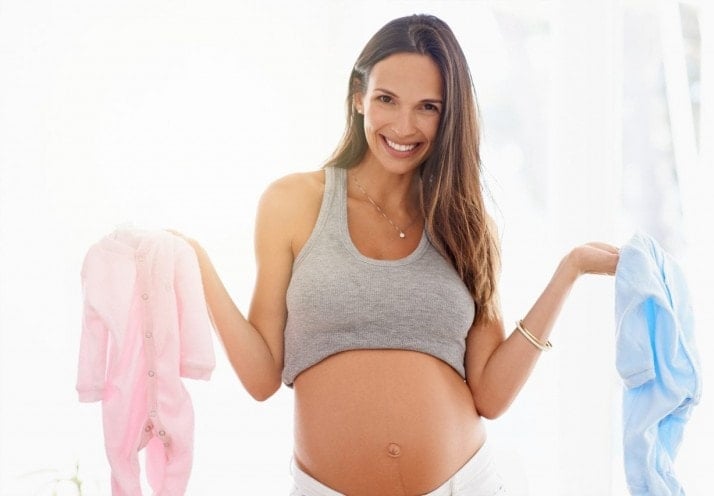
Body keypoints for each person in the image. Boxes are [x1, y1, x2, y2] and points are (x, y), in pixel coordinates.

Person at [175, 14, 619, 496]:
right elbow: (262, 376)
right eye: (387, 99)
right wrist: (196, 259)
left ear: (448, 116)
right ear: (358, 96)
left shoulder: (466, 225)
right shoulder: (293, 203)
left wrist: (569, 271)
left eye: (427, 107)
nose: (404, 126)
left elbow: (490, 396)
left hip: (466, 483)